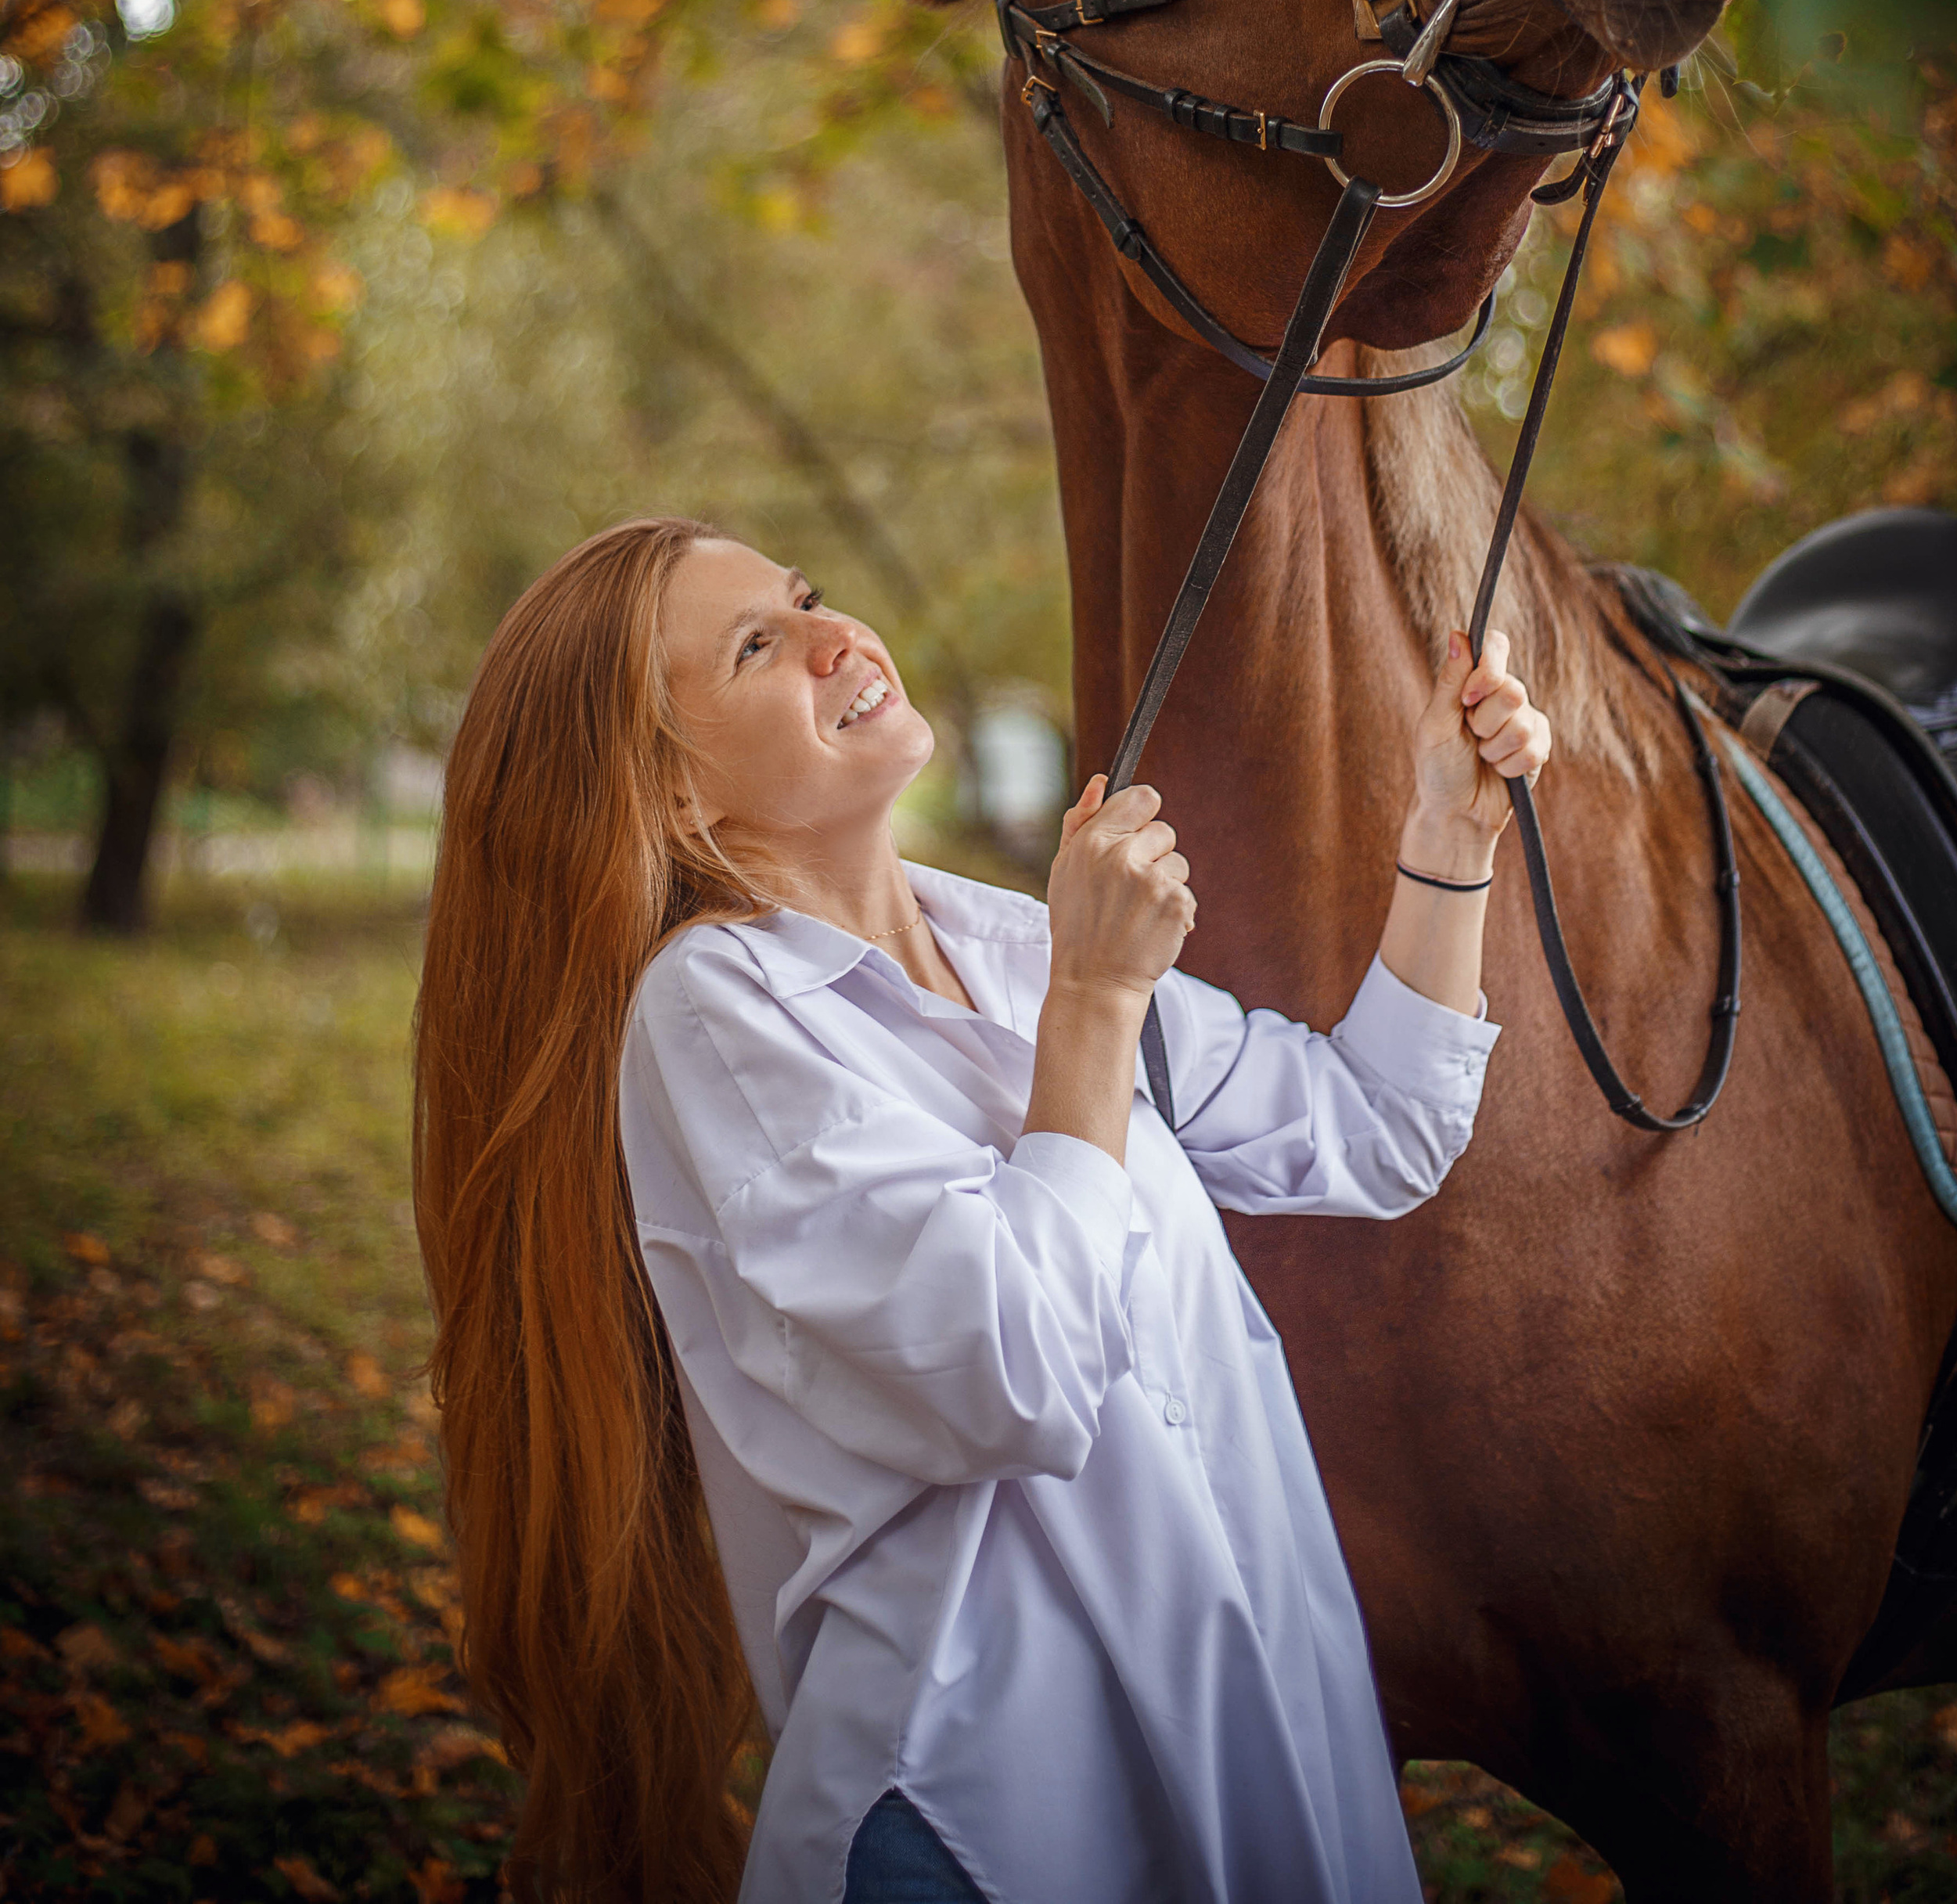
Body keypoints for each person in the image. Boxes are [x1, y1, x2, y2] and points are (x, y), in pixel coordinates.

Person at [413, 516, 1549, 1904]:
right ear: (669, 800)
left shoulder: (1007, 944)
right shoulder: (715, 1016)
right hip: (980, 1829)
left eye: (807, 594)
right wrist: (1097, 1001)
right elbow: (1013, 1373)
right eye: (760, 648)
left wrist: (1450, 828)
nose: (841, 639)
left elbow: (1376, 1131)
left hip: (1246, 1757)